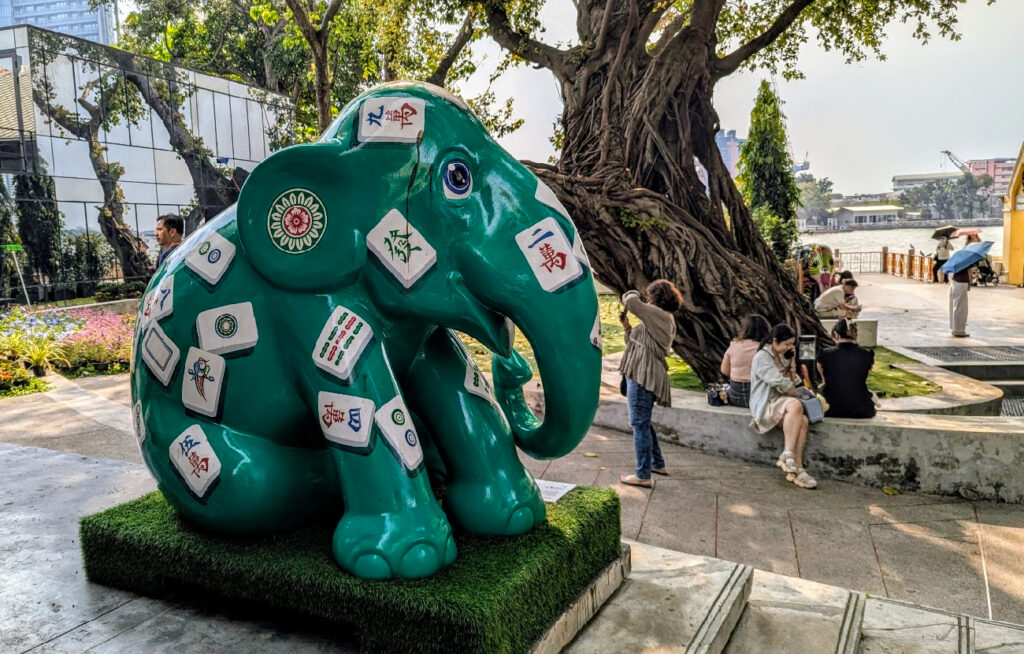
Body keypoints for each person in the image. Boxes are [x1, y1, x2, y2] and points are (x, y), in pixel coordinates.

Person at [618, 279, 683, 488]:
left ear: (655, 296)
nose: (647, 299)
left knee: (639, 423)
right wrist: (627, 327)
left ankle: (643, 474)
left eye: (649, 295)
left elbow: (631, 300)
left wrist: (633, 292)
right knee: (643, 421)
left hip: (643, 375)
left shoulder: (660, 315)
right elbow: (636, 343)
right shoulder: (658, 319)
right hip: (640, 372)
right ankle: (657, 463)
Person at [749, 324, 817, 489]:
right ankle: (787, 454)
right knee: (795, 403)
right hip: (766, 404)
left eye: (792, 344)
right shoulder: (762, 357)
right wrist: (795, 393)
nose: (790, 347)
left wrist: (791, 364)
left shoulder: (784, 356)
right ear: (774, 341)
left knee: (804, 421)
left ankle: (797, 469)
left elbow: (793, 380)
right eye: (786, 344)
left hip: (783, 405)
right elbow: (777, 382)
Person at [817, 319, 876, 419]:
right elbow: (864, 377)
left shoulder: (824, 354)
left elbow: (824, 379)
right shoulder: (867, 354)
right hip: (862, 409)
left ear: (836, 334)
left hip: (831, 408)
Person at [720, 314, 770, 408]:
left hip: (735, 397)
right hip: (759, 398)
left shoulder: (734, 345)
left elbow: (724, 370)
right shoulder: (766, 349)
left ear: (744, 329)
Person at [949, 262, 975, 338]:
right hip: (961, 283)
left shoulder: (958, 261)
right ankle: (959, 330)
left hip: (955, 282)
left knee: (956, 307)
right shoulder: (965, 262)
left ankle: (955, 328)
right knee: (961, 308)